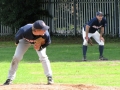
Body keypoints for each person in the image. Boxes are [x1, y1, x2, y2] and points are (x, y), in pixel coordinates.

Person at [3, 20, 53, 85]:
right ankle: (9, 79)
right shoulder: (24, 30)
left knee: (43, 56)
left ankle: (49, 77)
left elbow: (48, 42)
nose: (45, 30)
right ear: (36, 30)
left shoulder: (45, 34)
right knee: (16, 57)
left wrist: (40, 47)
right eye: (42, 29)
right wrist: (18, 44)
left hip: (38, 41)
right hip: (25, 40)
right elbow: (17, 38)